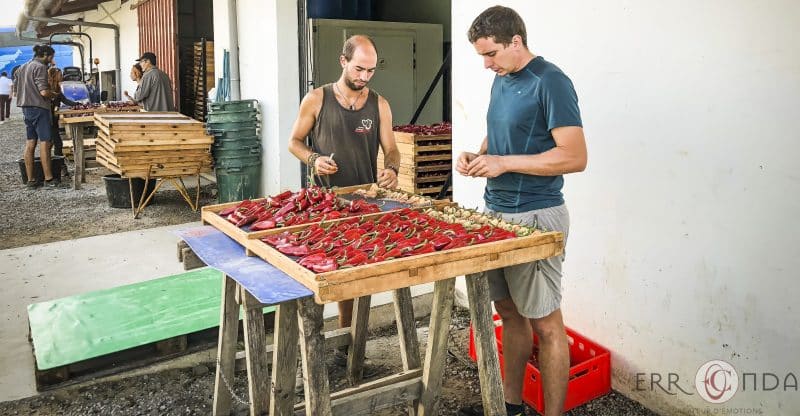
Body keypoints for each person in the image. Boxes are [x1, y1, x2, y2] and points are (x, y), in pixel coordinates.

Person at [456, 6, 587, 416]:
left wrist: (505, 163)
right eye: (480, 55)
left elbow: (575, 156)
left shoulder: (551, 81)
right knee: (510, 314)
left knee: (546, 324)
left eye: (490, 54)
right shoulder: (503, 78)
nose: (486, 64)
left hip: (535, 218)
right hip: (496, 214)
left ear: (516, 42)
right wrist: (479, 155)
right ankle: (510, 407)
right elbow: (506, 133)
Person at [288, 34, 401, 366]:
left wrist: (392, 169)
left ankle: (349, 348)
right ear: (343, 61)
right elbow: (294, 141)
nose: (364, 77)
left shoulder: (379, 104)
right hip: (324, 203)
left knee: (357, 278)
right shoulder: (316, 99)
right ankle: (313, 345)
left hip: (366, 204)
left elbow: (391, 148)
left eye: (370, 71)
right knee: (323, 275)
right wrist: (313, 160)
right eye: (358, 69)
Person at [16, 44, 59, 188]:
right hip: (39, 108)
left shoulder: (23, 67)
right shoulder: (40, 67)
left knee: (30, 142)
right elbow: (44, 92)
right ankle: (49, 178)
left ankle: (31, 180)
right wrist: (54, 95)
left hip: (26, 109)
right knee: (45, 143)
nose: (51, 60)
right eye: (51, 57)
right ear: (45, 55)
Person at [48, 67, 76, 177]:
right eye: (60, 75)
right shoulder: (48, 89)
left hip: (54, 121)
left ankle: (57, 167)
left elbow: (65, 100)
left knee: (54, 144)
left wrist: (77, 104)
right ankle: (59, 168)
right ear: (54, 76)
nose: (62, 76)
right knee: (56, 144)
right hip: (48, 121)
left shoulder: (58, 88)